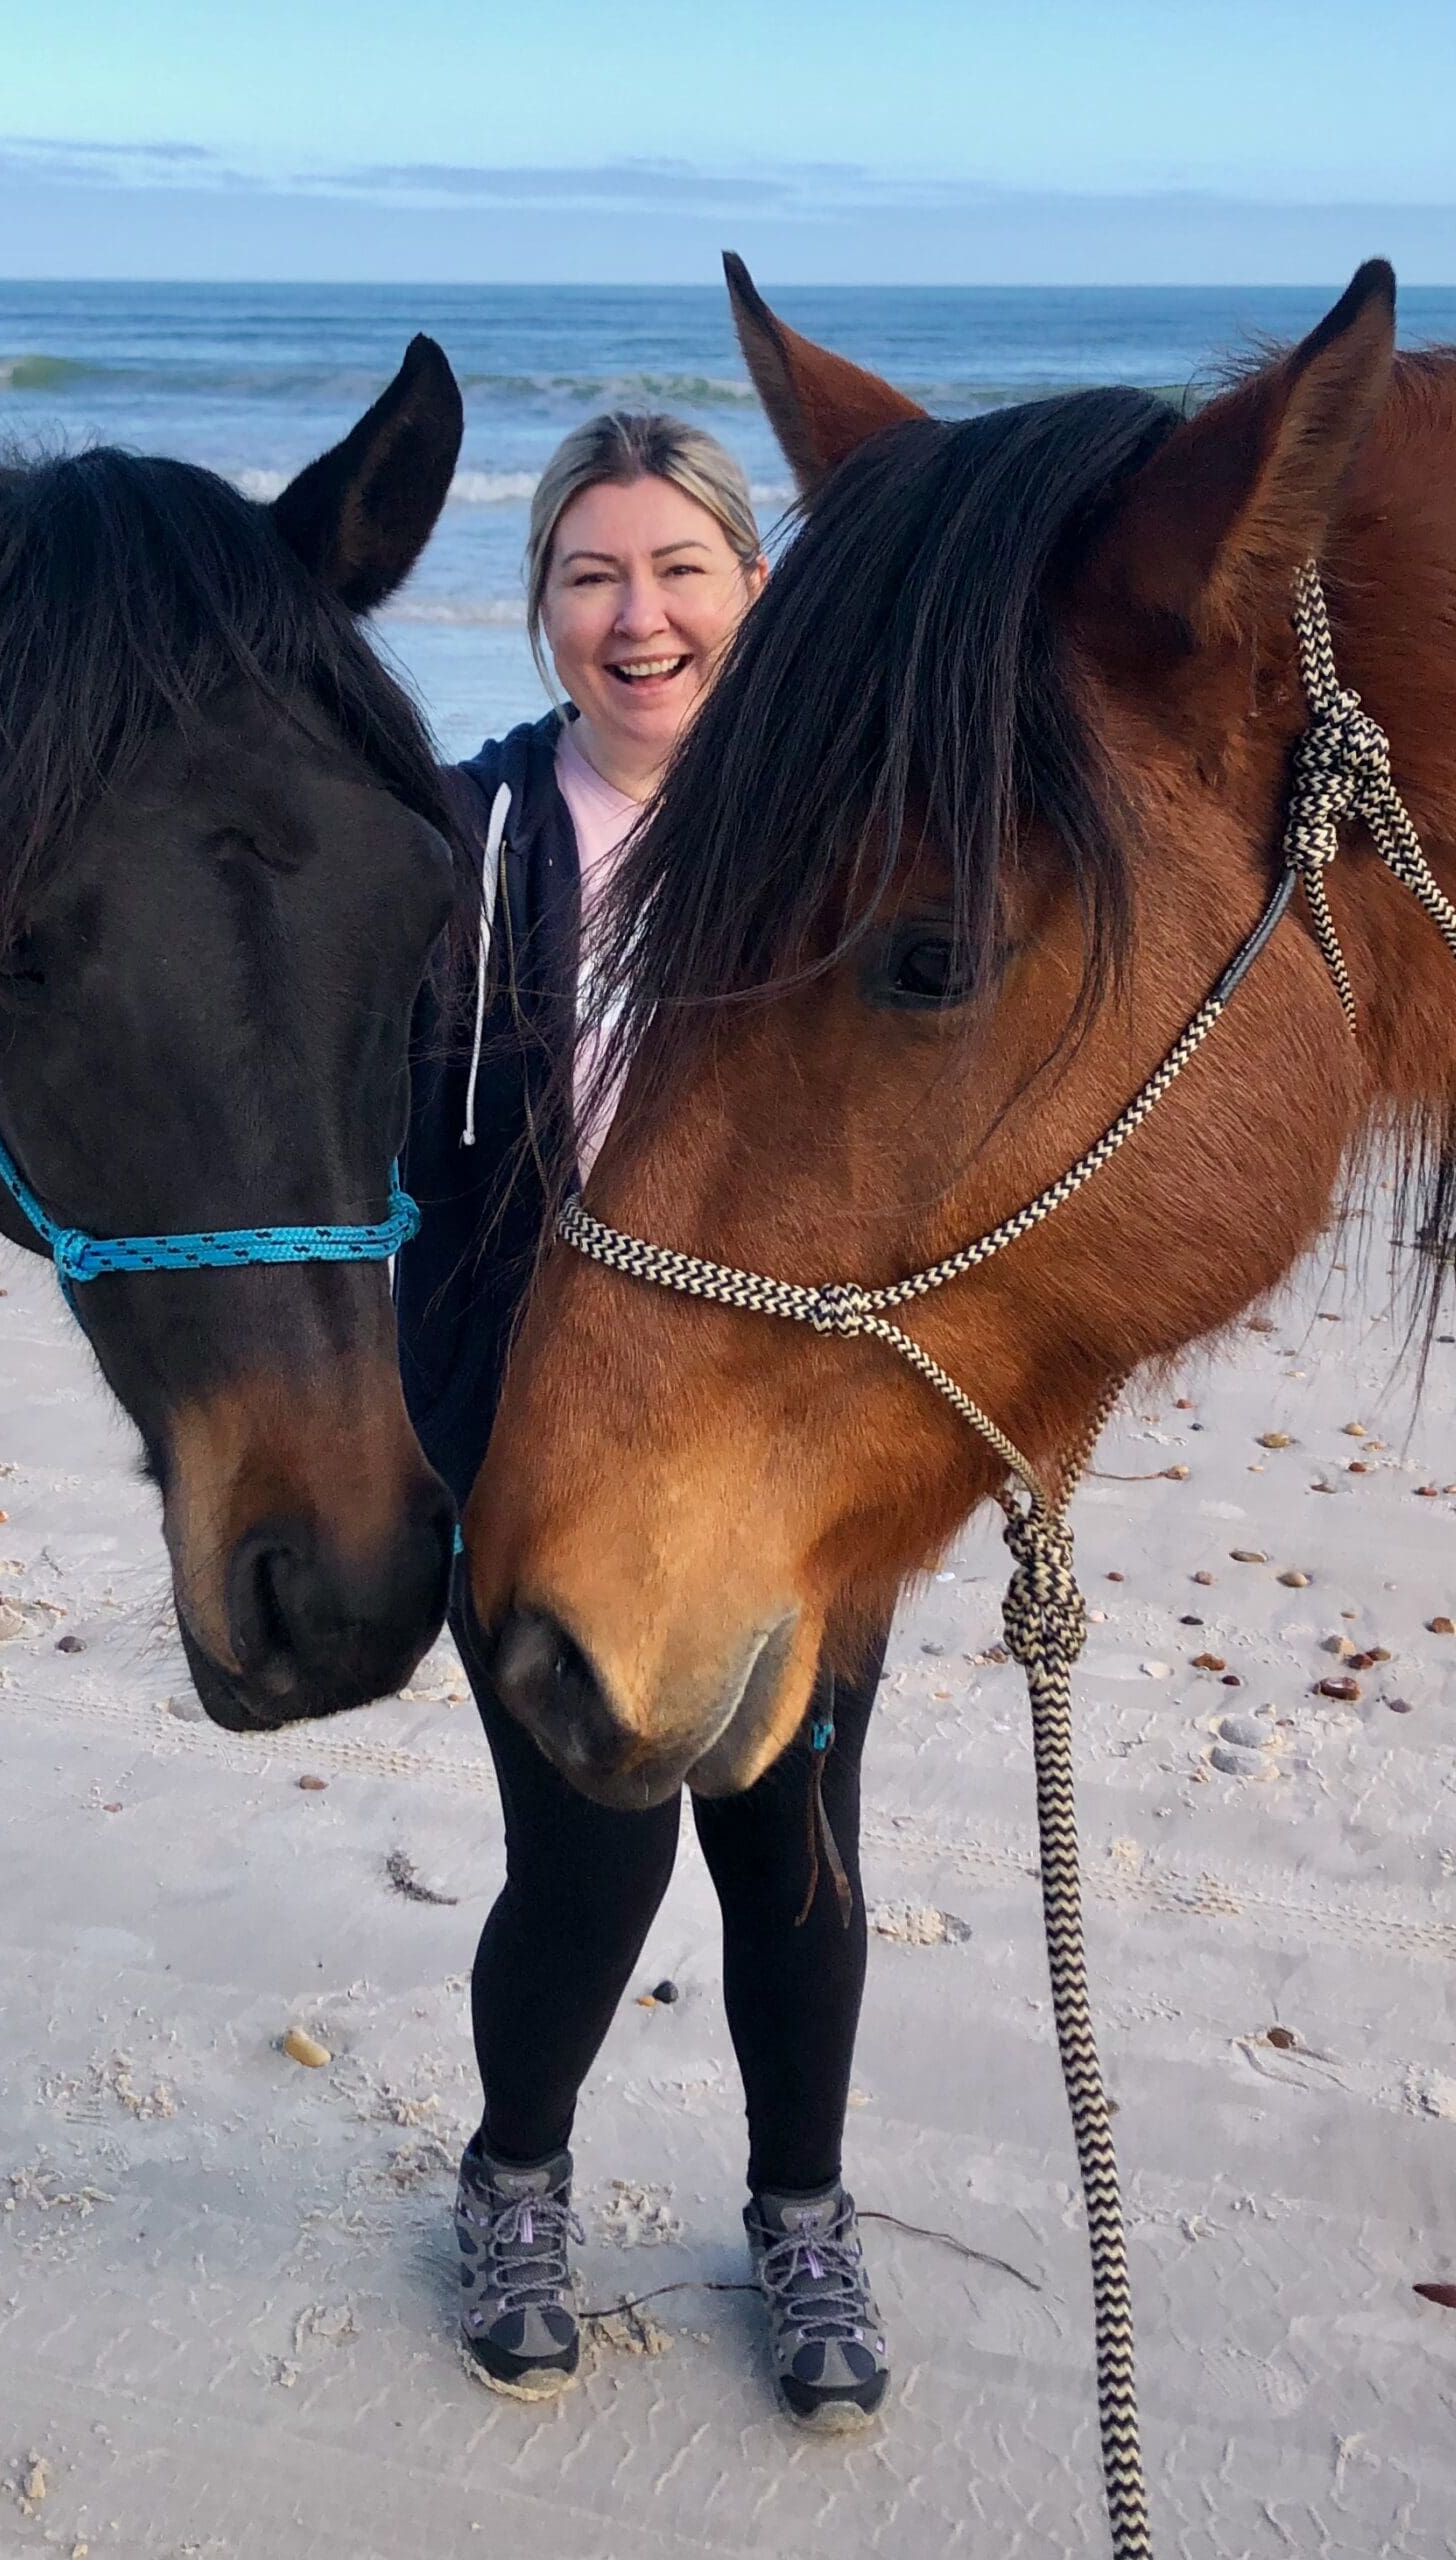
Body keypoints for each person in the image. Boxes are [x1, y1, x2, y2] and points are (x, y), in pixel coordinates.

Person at [398, 412, 894, 2432]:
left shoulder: (853, 848)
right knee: (588, 1867)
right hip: (539, 1456)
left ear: (753, 593)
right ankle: (513, 2176)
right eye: (591, 574)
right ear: (536, 614)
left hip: (791, 1457)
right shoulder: (461, 848)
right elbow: (374, 1179)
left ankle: (799, 2210)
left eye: (681, 567)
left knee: (793, 1855)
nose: (640, 614)